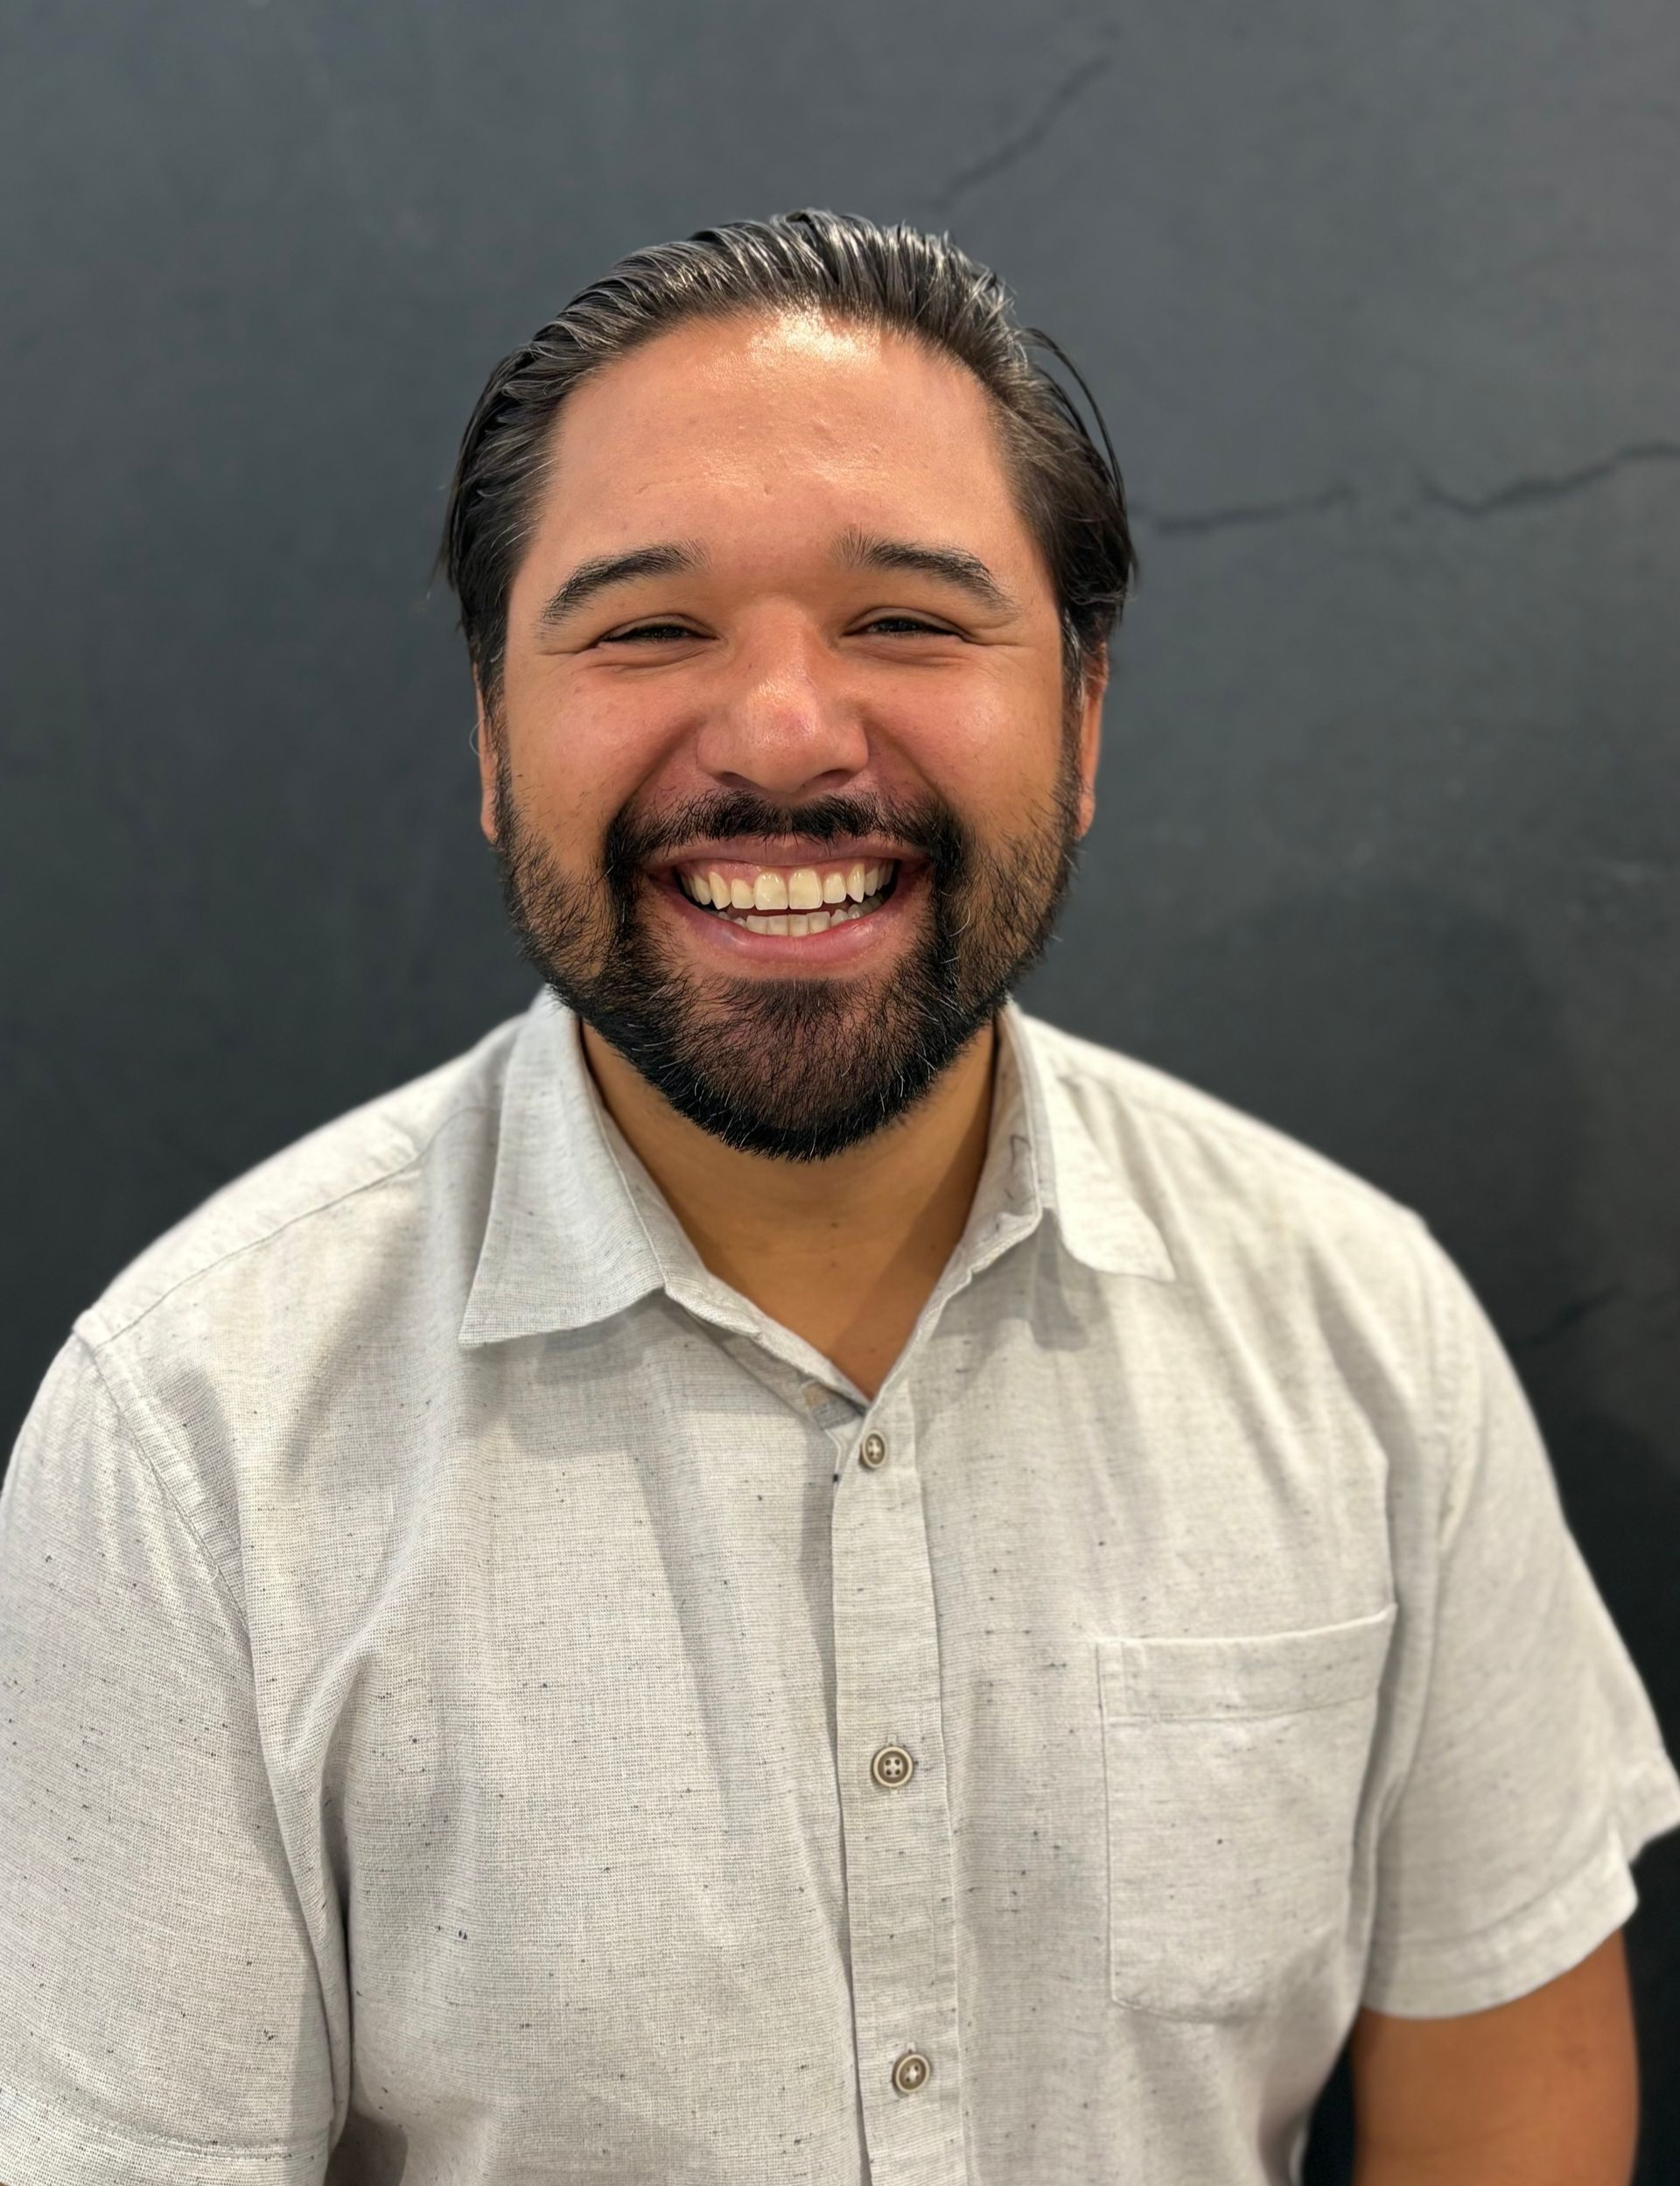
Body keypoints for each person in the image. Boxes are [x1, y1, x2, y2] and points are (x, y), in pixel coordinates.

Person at [1, 210, 1675, 2186]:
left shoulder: (1361, 1334)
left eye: (907, 620)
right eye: (646, 627)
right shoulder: (196, 1434)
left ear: (1084, 716)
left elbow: (1508, 2115)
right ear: (486, 738)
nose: (788, 731)